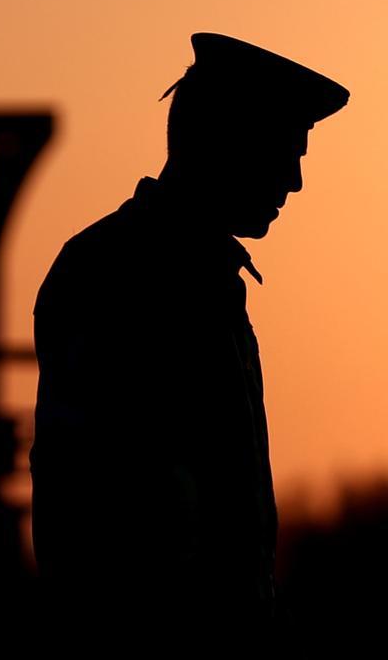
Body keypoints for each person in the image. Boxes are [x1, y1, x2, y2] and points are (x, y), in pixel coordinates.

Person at [28, 32, 348, 651]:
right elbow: (112, 522)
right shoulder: (123, 275)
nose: (297, 180)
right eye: (285, 151)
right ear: (225, 142)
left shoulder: (187, 276)